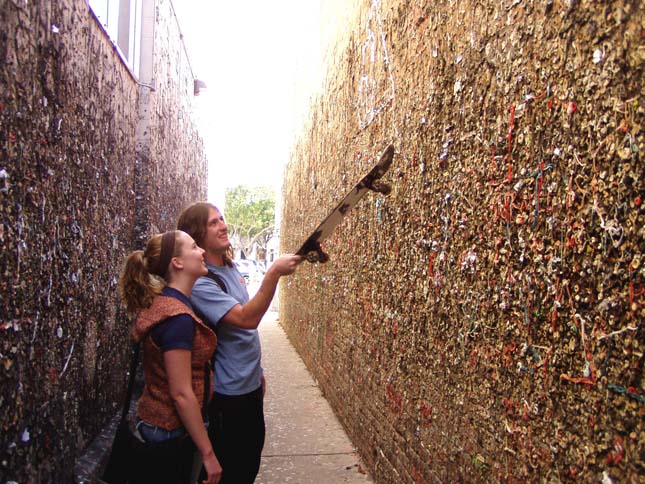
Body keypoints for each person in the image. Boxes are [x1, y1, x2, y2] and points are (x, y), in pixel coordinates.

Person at [177, 202, 301, 484]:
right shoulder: (202, 283)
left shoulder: (230, 269)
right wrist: (273, 274)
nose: (223, 226)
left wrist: (258, 374)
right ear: (196, 234)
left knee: (248, 464)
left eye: (221, 219)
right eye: (213, 223)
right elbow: (247, 319)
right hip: (227, 396)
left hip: (250, 387)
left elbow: (243, 336)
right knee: (232, 471)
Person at [119, 230, 223, 484]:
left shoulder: (164, 303)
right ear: (177, 262)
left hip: (156, 425)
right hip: (169, 434)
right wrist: (208, 454)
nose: (201, 252)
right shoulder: (177, 319)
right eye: (194, 247)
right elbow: (181, 393)